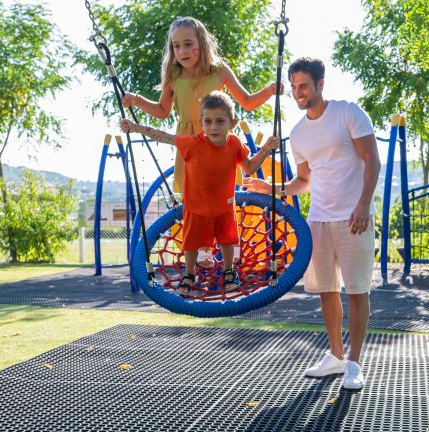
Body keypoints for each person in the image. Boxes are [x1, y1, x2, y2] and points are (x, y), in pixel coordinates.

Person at [244, 57, 380, 390]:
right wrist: (270, 188)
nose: (297, 93)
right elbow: (304, 181)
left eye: (303, 86)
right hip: (318, 219)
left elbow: (372, 160)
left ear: (320, 84)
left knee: (357, 291)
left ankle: (355, 363)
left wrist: (364, 205)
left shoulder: (348, 113)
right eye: (293, 87)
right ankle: (335, 356)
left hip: (354, 217)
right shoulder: (298, 133)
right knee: (326, 291)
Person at [122, 16, 280, 268]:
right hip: (191, 146)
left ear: (201, 44)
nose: (182, 51)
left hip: (218, 144)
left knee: (222, 197)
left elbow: (247, 101)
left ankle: (228, 244)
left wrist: (269, 91)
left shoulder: (219, 71)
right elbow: (162, 111)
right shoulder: (174, 75)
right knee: (194, 201)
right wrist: (137, 100)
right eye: (176, 46)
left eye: (188, 44)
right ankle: (204, 249)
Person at [121, 91, 279, 295]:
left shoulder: (234, 144)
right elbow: (164, 136)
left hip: (224, 206)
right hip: (196, 207)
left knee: (227, 240)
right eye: (208, 121)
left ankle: (228, 271)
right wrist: (135, 128)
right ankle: (189, 273)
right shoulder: (193, 144)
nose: (214, 127)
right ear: (201, 124)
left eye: (220, 121)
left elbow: (249, 167)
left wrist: (266, 149)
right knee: (191, 243)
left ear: (231, 123)